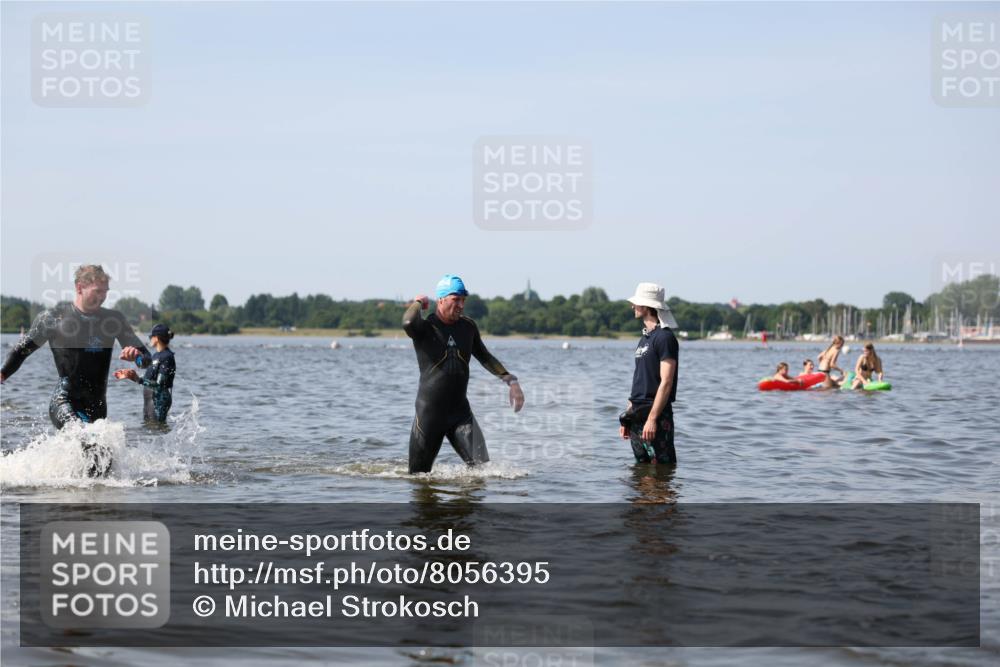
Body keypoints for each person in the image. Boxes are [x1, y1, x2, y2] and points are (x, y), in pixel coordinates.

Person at [0, 265, 151, 476]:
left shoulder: (113, 320)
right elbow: (20, 351)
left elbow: (147, 359)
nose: (103, 297)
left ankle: (75, 492)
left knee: (101, 465)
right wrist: (2, 374)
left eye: (106, 291)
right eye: (97, 291)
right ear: (80, 287)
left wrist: (136, 356)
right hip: (65, 400)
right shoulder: (52, 319)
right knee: (93, 446)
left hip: (97, 406)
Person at [403, 274, 525, 473]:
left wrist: (512, 381)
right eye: (456, 299)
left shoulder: (468, 327)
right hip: (429, 417)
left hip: (460, 415)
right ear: (441, 299)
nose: (461, 305)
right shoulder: (425, 328)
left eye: (463, 300)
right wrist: (418, 302)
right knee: (418, 479)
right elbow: (408, 322)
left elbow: (485, 356)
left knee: (483, 471)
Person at [618, 282, 680, 465]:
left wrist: (652, 419)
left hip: (656, 415)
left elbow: (666, 382)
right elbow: (639, 379)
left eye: (636, 303)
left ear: (646, 306)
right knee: (640, 471)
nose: (632, 306)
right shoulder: (644, 339)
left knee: (662, 470)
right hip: (637, 415)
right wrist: (628, 417)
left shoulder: (665, 338)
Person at [114, 324, 176, 424]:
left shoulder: (167, 357)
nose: (150, 339)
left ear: (156, 338)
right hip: (149, 398)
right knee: (148, 426)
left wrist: (138, 379)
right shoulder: (156, 356)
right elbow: (150, 377)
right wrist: (130, 375)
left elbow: (160, 385)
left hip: (159, 400)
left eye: (151, 337)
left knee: (156, 427)